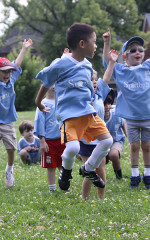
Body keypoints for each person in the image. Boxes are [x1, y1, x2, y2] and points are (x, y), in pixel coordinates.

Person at [35, 23, 113, 192]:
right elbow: (46, 82)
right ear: (82, 44)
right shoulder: (60, 64)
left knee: (107, 140)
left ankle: (88, 168)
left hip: (88, 113)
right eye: (94, 41)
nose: (96, 46)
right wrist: (38, 102)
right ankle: (66, 172)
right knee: (73, 148)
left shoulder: (87, 66)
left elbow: (87, 89)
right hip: (69, 115)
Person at [102, 23, 150, 189]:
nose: (138, 52)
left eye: (140, 50)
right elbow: (106, 60)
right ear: (124, 56)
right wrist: (107, 43)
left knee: (146, 146)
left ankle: (148, 175)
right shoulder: (121, 70)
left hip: (148, 115)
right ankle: (135, 175)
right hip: (130, 117)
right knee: (134, 146)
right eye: (133, 50)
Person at [0, 36, 33, 187]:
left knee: (11, 149)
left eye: (9, 72)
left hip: (8, 121)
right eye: (3, 71)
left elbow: (16, 64)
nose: (7, 74)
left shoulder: (11, 80)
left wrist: (24, 48)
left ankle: (9, 171)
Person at [79, 50, 119, 200]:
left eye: (95, 79)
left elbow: (107, 78)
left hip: (101, 140)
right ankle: (85, 198)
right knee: (90, 172)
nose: (94, 82)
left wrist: (112, 62)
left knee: (101, 170)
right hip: (86, 141)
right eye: (91, 79)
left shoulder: (100, 94)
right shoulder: (81, 98)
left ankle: (101, 198)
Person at [34, 84, 66, 192]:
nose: (53, 86)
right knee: (51, 166)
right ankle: (52, 188)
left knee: (63, 164)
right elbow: (39, 123)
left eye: (56, 83)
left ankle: (64, 186)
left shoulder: (62, 102)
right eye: (51, 83)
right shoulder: (42, 104)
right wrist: (42, 141)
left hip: (62, 139)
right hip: (49, 141)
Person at [104, 91, 127, 180]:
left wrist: (126, 133)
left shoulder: (115, 113)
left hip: (116, 139)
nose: (107, 107)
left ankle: (119, 176)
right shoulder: (97, 116)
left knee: (113, 155)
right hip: (101, 142)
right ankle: (99, 178)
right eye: (104, 104)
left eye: (109, 103)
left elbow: (122, 122)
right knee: (101, 161)